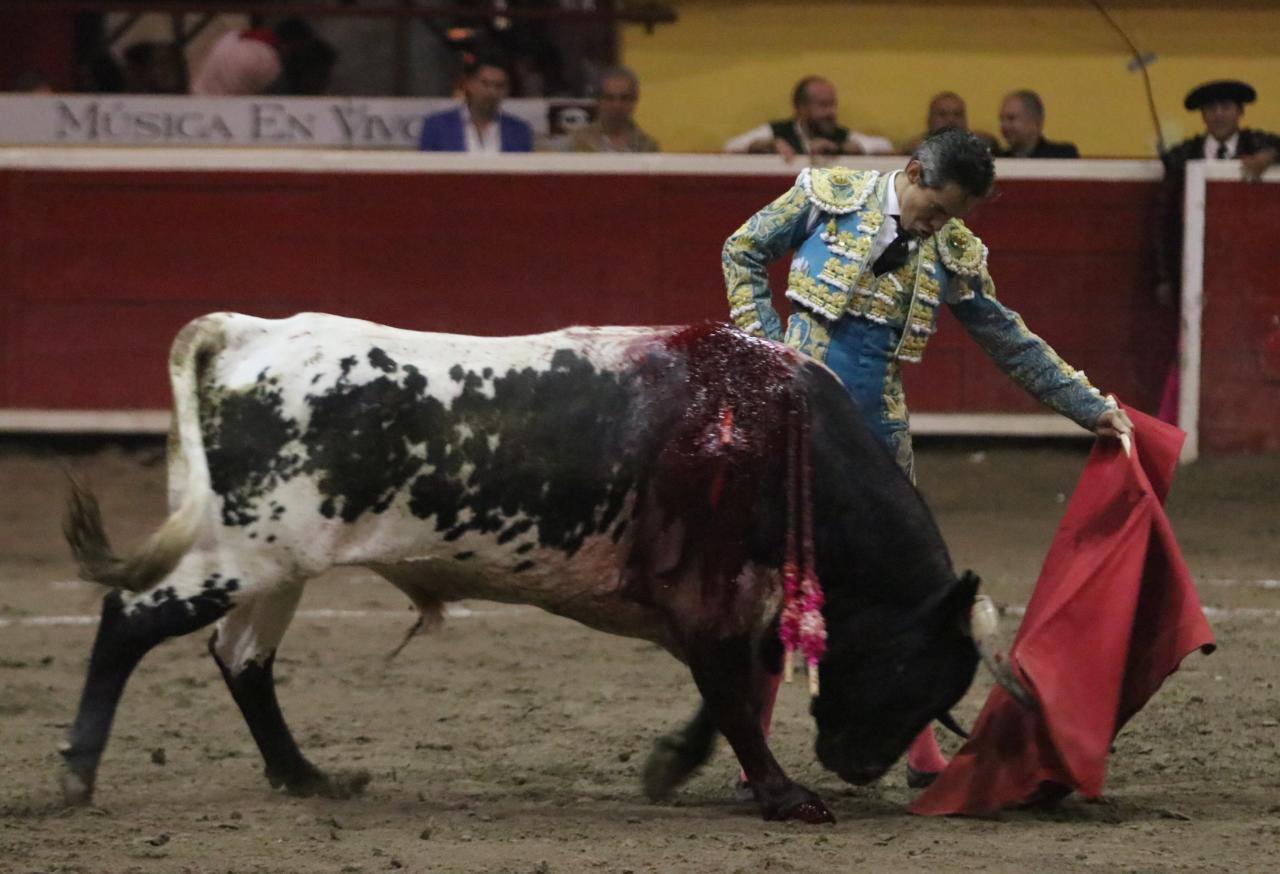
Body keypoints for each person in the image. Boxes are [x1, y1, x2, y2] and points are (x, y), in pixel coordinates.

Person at [723, 129, 1133, 786]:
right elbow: (742, 251)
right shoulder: (829, 196)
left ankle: (922, 757)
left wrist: (1090, 407)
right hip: (794, 419)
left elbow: (1008, 340)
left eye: (954, 217)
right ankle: (757, 756)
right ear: (914, 171)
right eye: (935, 208)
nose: (939, 225)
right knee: (782, 577)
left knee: (899, 596)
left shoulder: (953, 249)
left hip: (876, 437)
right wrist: (767, 351)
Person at [1151, 79, 1279, 422]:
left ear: (1240, 112)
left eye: (1226, 107)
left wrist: (1271, 156)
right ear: (1203, 115)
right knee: (1190, 345)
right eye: (1212, 108)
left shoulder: (1261, 144)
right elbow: (1163, 220)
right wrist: (1164, 276)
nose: (1219, 114)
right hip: (1195, 271)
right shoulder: (1182, 156)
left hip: (1252, 272)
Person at [724, 75, 894, 158]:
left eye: (833, 104)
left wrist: (841, 149)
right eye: (823, 105)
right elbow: (731, 146)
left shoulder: (839, 136)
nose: (831, 112)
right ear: (801, 108)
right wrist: (769, 144)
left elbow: (885, 146)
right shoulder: (779, 131)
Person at [419, 57, 533, 153]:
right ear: (469, 84)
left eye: (499, 86)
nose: (492, 92)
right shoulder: (437, 127)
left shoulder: (519, 131)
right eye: (485, 84)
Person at [571, 66, 659, 153]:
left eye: (624, 98)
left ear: (634, 100)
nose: (617, 105)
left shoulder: (647, 146)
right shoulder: (578, 141)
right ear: (598, 100)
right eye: (609, 98)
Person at [902, 91, 999, 154]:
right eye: (942, 114)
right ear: (929, 120)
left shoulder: (981, 148)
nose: (951, 120)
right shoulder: (914, 150)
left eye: (957, 114)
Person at [997, 90, 1078, 158]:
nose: (1004, 125)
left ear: (1036, 122)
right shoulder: (998, 160)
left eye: (1011, 118)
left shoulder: (1062, 156)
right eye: (1002, 120)